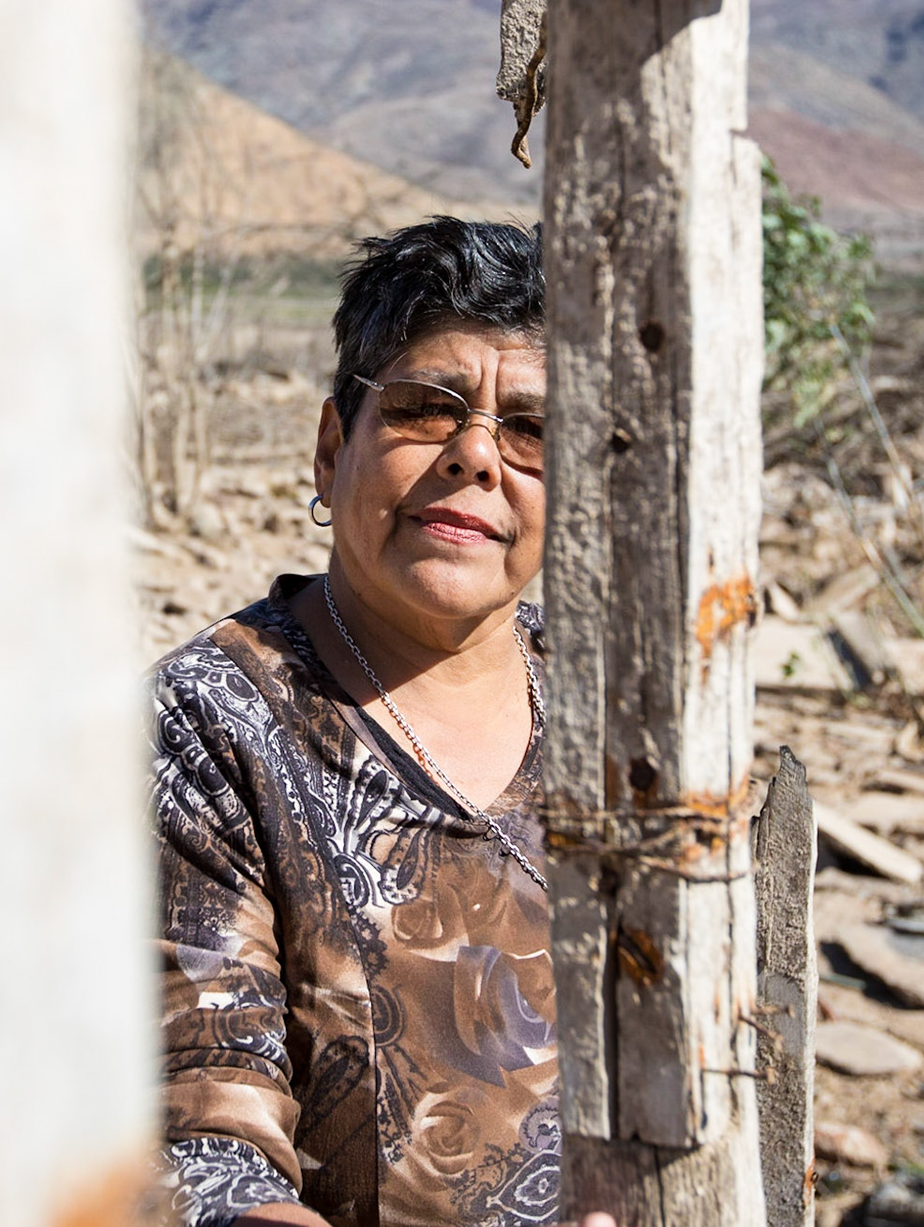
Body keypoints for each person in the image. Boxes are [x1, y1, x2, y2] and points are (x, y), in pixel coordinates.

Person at [153, 217, 571, 1227]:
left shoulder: (618, 703)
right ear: (333, 448)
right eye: (429, 410)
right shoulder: (214, 727)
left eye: (531, 430)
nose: (476, 455)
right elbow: (199, 1154)